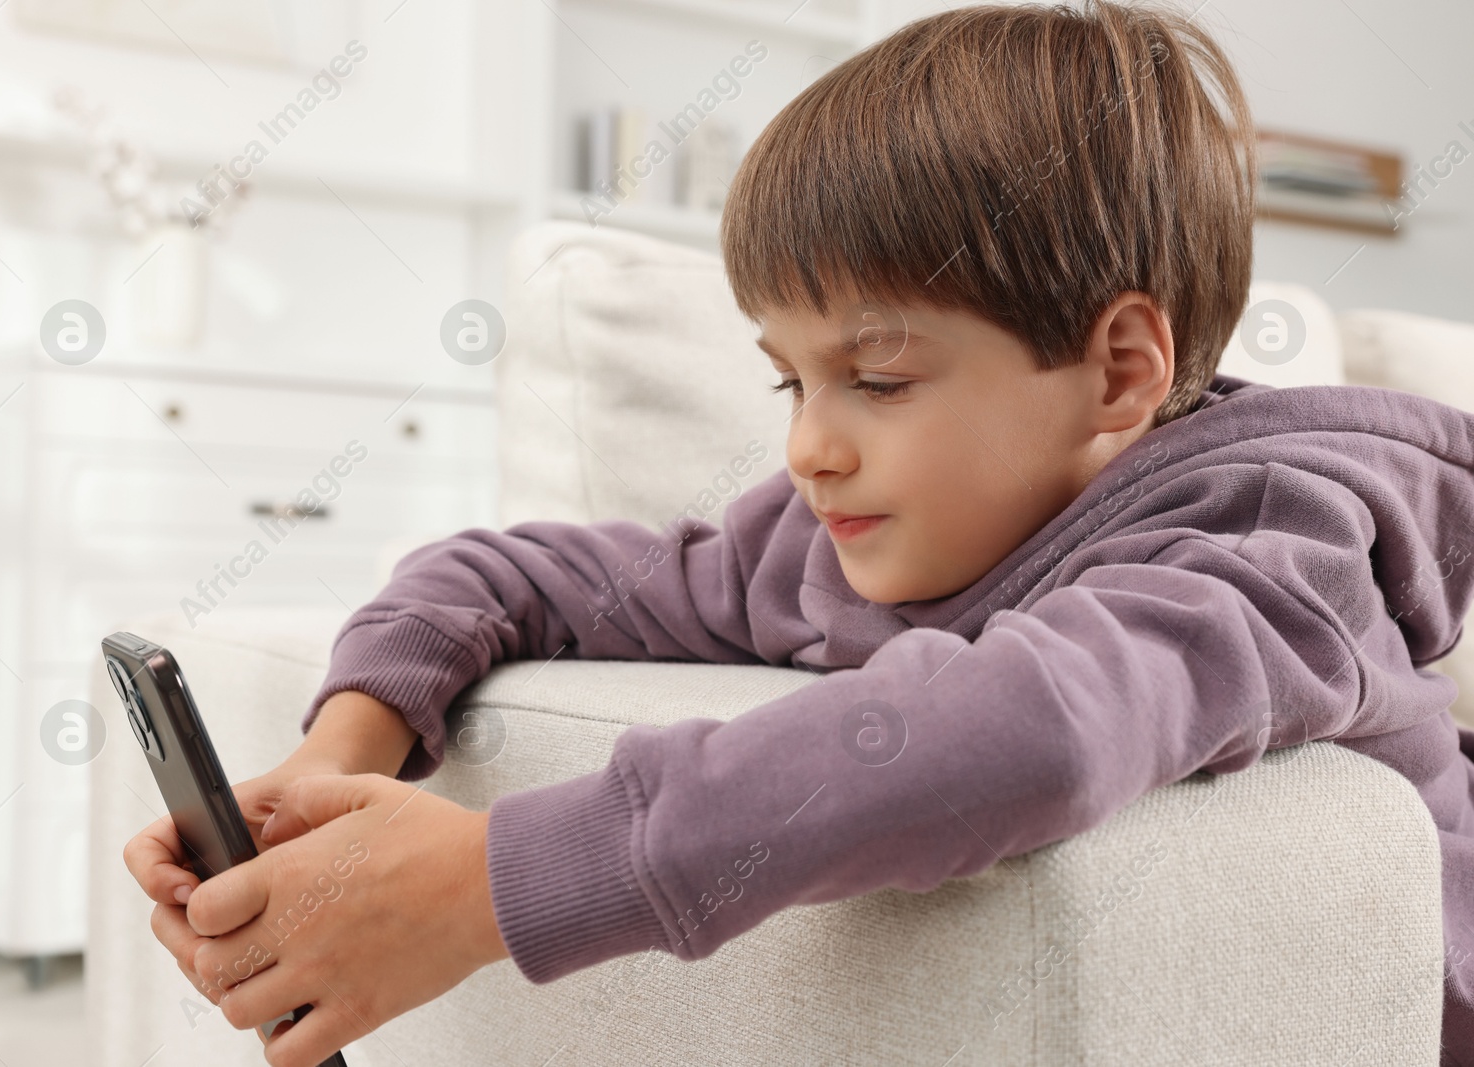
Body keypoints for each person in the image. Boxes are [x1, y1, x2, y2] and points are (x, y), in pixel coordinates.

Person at [125, 2, 1474, 1064]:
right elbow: (517, 572)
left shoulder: (1271, 549)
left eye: (878, 379)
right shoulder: (819, 542)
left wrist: (492, 881)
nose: (811, 444)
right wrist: (338, 759)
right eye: (790, 377)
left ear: (1121, 370)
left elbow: (1033, 727)